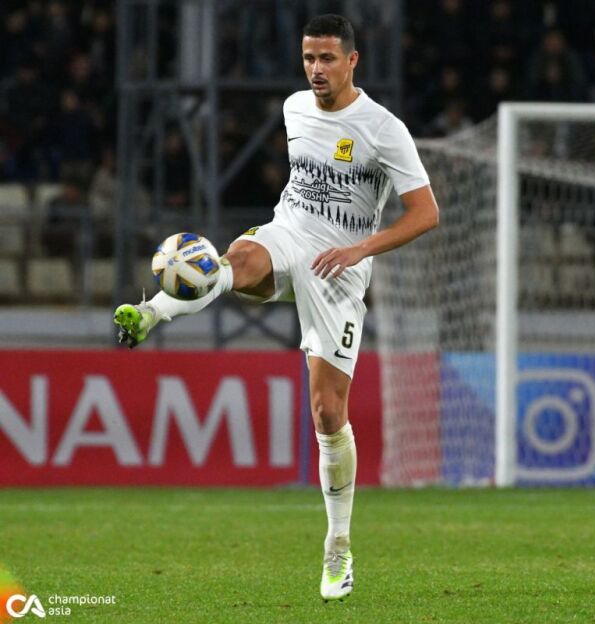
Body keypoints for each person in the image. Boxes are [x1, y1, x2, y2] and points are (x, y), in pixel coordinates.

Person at [112, 14, 439, 602]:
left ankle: (338, 547)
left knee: (327, 413)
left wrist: (360, 248)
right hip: (288, 233)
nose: (316, 68)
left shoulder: (383, 129)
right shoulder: (293, 109)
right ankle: (153, 311)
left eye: (327, 58)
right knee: (237, 260)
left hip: (341, 266)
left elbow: (426, 213)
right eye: (309, 57)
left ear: (352, 61)